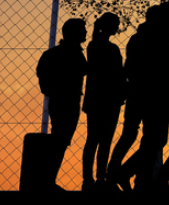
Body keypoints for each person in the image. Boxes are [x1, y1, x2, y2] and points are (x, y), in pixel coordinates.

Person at [111, 2, 169, 192]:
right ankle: (125, 173)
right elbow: (153, 72)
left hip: (143, 95)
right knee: (155, 140)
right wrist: (164, 93)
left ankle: (137, 178)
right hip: (153, 97)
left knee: (148, 139)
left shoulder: (144, 38)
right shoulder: (155, 39)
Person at [36, 17, 87, 191]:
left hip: (61, 100)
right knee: (60, 140)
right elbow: (84, 69)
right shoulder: (72, 54)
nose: (86, 32)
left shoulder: (56, 53)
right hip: (67, 101)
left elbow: (43, 78)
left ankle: (47, 179)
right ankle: (47, 181)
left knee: (59, 139)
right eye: (83, 29)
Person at [82, 13, 124, 191]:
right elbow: (117, 75)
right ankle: (99, 178)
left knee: (93, 139)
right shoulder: (110, 49)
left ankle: (89, 178)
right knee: (104, 140)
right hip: (109, 99)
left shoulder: (93, 45)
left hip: (96, 99)